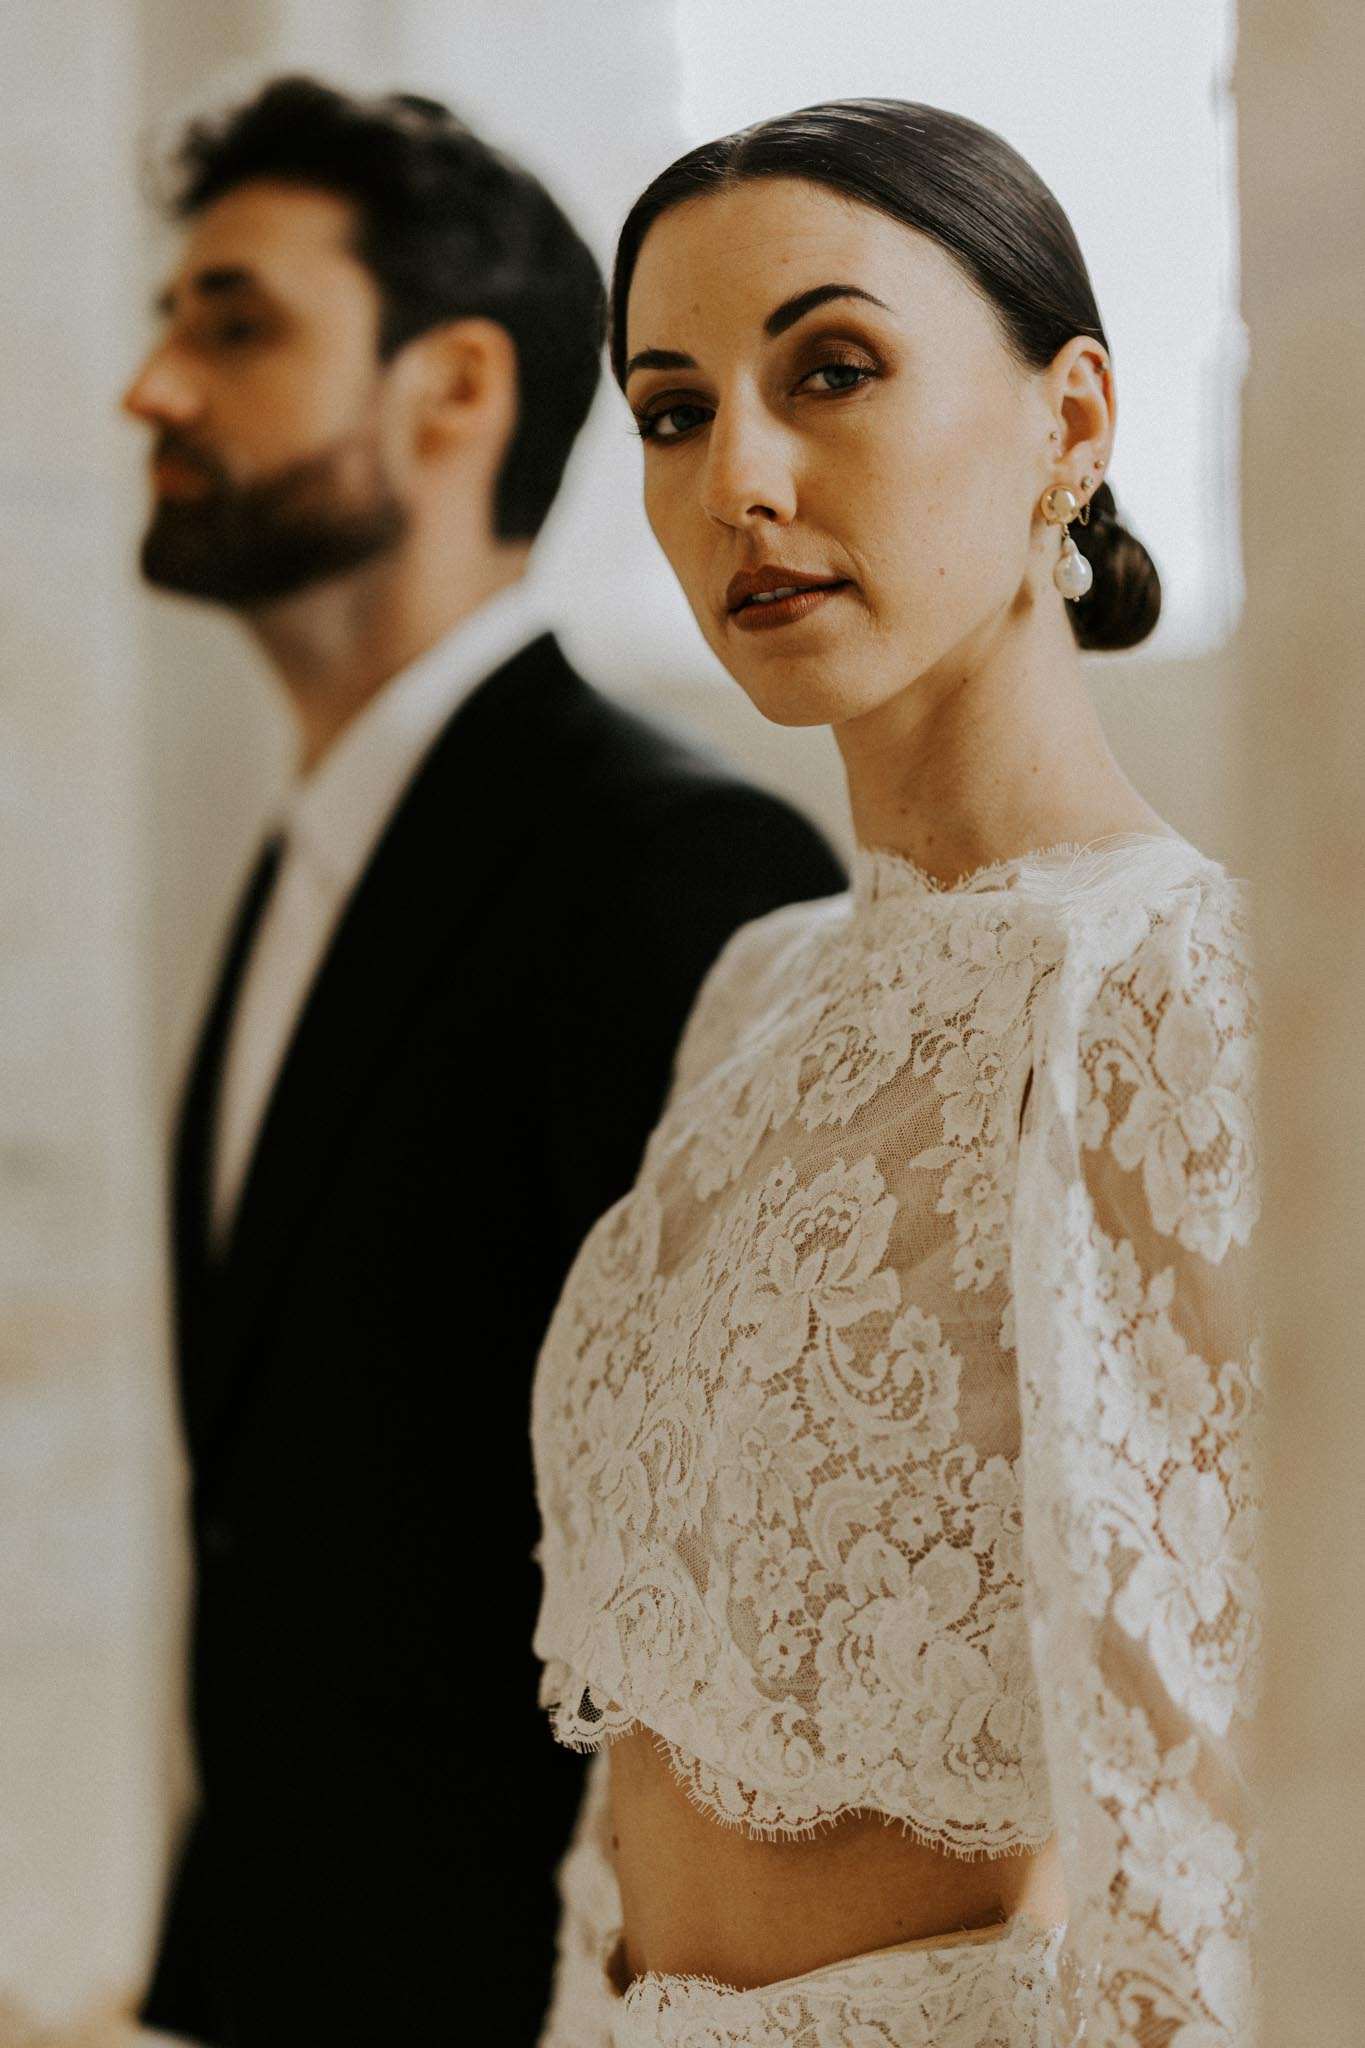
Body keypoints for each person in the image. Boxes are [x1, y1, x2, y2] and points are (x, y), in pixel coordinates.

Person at [530, 99, 1262, 2047]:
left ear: (1069, 421)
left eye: (830, 371)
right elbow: (636, 1773)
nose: (736, 481)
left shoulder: (1171, 986)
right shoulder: (754, 993)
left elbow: (1207, 1824)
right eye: (672, 411)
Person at [122, 77, 844, 2046]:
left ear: (450, 387)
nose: (151, 390)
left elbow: (735, 1604)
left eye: (233, 324)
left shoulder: (671, 867)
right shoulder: (304, 860)